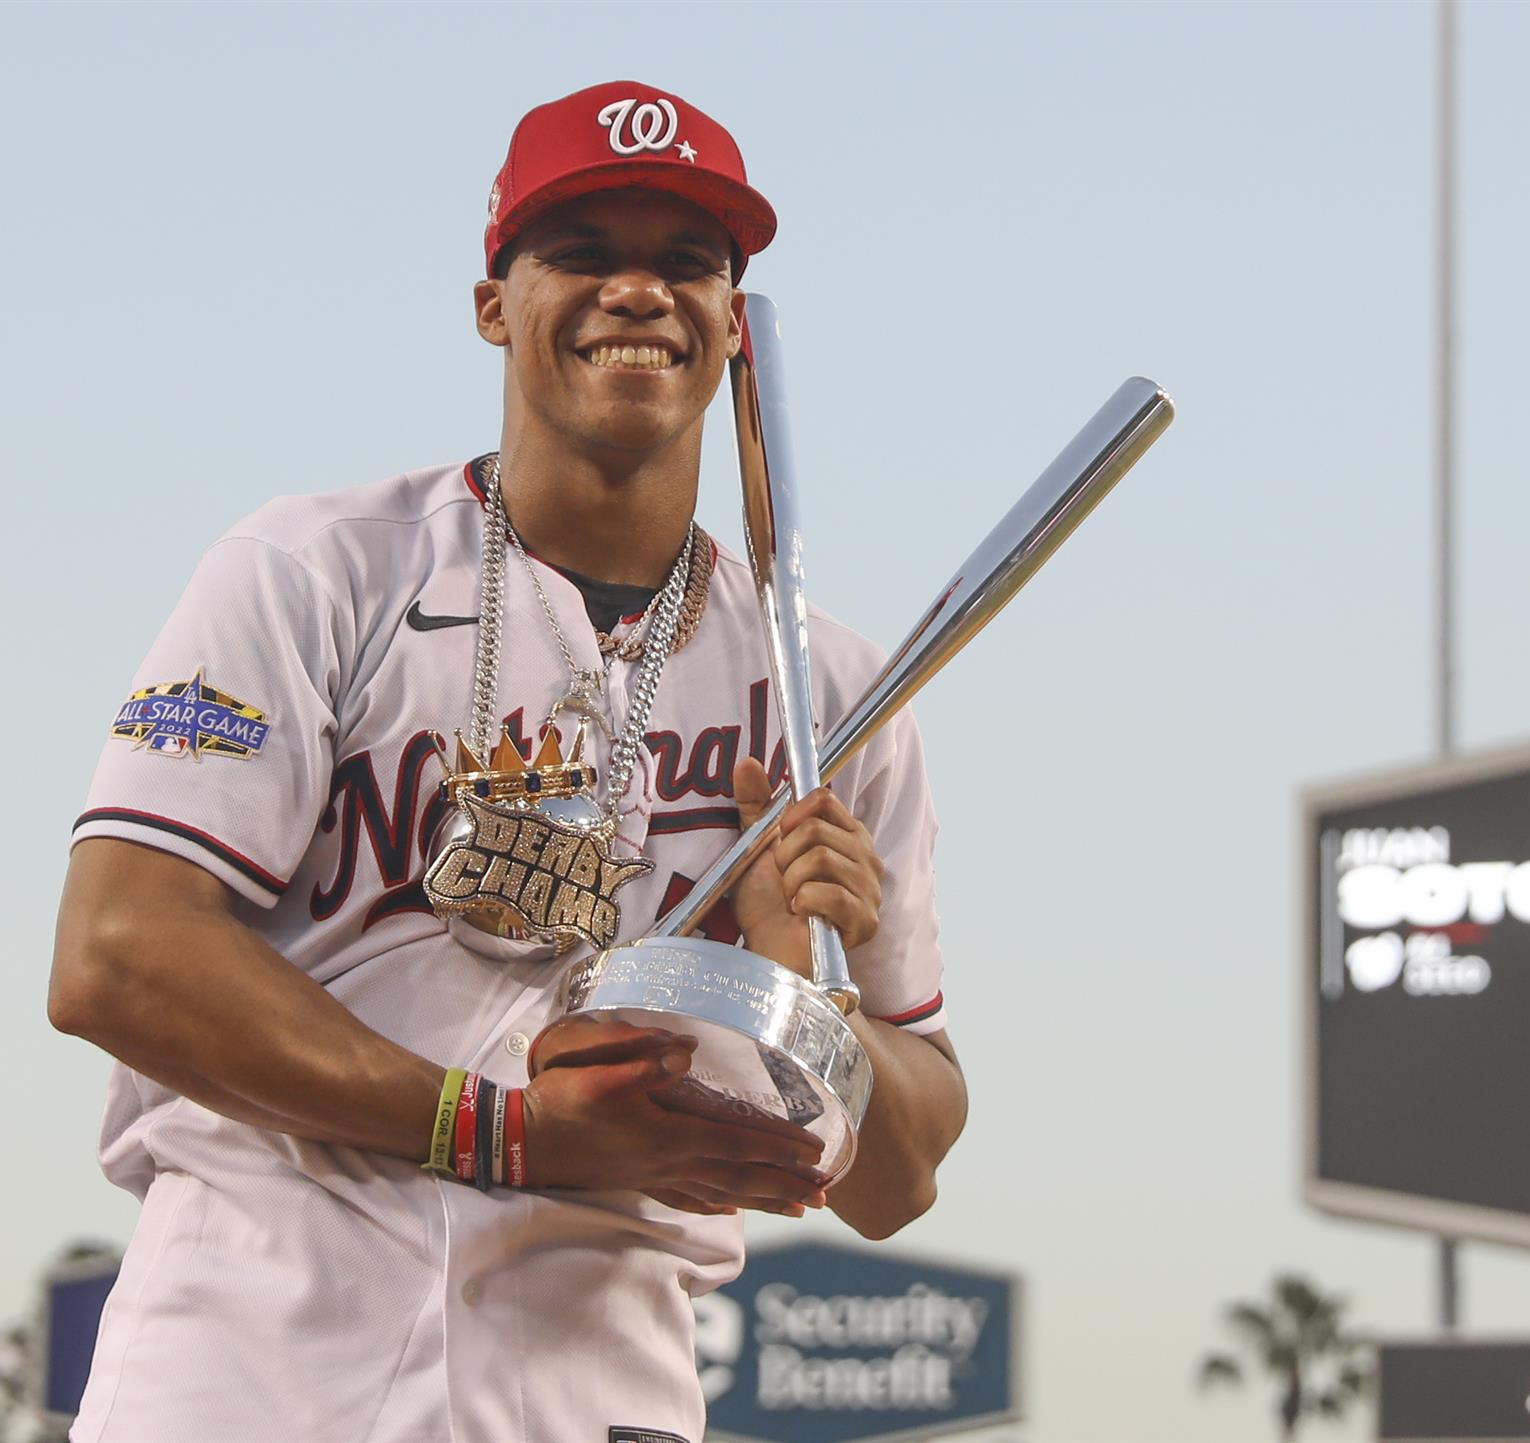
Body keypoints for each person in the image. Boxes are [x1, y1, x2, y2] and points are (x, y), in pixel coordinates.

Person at [49, 80, 967, 1443]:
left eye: (686, 263)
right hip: (258, 1346)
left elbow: (898, 1178)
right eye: (585, 255)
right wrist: (503, 1132)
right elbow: (115, 956)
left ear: (733, 328)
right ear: (494, 303)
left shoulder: (827, 691)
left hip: (595, 1375)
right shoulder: (316, 573)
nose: (638, 292)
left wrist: (806, 1003)